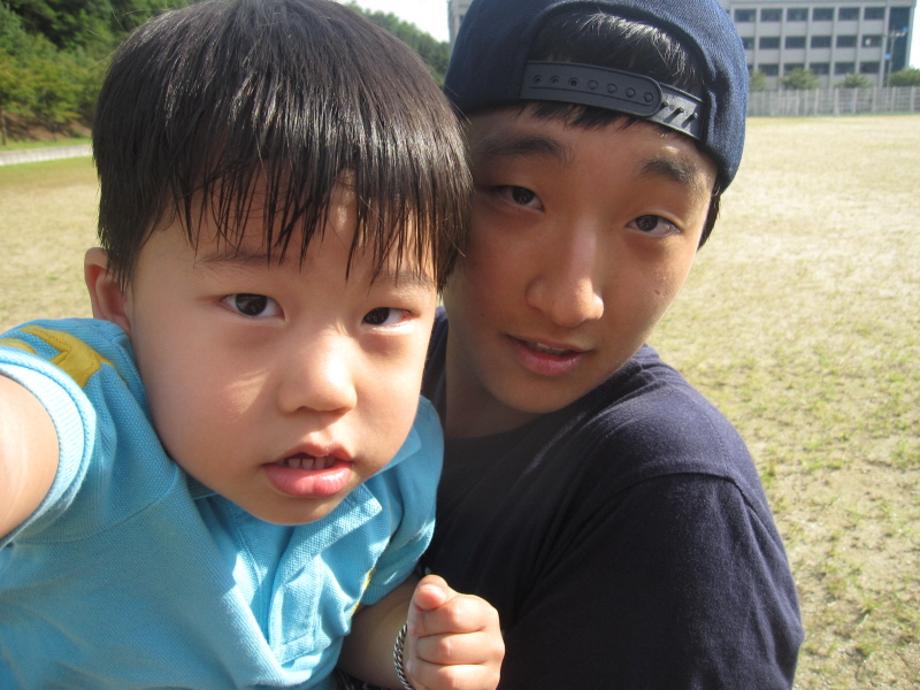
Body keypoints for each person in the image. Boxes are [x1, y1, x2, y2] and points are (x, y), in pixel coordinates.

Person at [0, 1, 504, 688]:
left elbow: (356, 613)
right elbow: (23, 430)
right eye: (252, 305)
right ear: (119, 300)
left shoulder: (398, 462)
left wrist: (410, 647)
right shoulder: (98, 421)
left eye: (383, 313)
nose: (327, 388)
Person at [417, 0, 805, 687]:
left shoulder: (672, 501)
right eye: (519, 195)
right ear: (440, 177)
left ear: (702, 234)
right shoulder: (373, 366)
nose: (572, 301)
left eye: (650, 222)